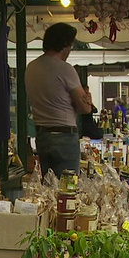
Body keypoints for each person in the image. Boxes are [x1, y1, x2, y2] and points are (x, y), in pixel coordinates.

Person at [25, 23, 93, 177]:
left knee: (49, 186)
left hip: (42, 135)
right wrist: (87, 99)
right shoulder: (65, 69)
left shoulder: (31, 68)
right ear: (65, 45)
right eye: (70, 45)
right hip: (64, 136)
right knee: (67, 189)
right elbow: (85, 108)